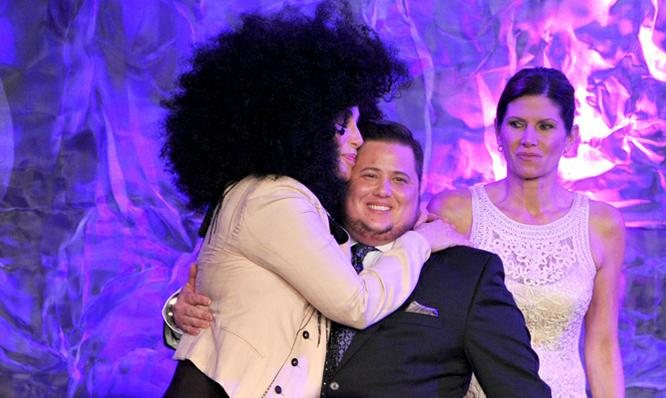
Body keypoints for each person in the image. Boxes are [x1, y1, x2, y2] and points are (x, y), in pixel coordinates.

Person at [160, 2, 462, 397]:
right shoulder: (274, 198)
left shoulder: (288, 201)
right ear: (300, 124)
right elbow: (356, 304)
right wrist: (420, 242)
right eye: (343, 125)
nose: (357, 138)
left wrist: (177, 312)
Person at [165, 120, 552, 397]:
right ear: (343, 181)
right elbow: (242, 321)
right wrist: (178, 314)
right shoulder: (301, 250)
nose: (383, 191)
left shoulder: (467, 275)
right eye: (368, 175)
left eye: (401, 180)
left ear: (421, 192)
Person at [428, 67, 626, 397]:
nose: (529, 140)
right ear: (498, 131)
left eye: (545, 126)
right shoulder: (456, 212)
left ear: (571, 137)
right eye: (517, 124)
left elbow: (602, 343)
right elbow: (428, 333)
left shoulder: (602, 225)